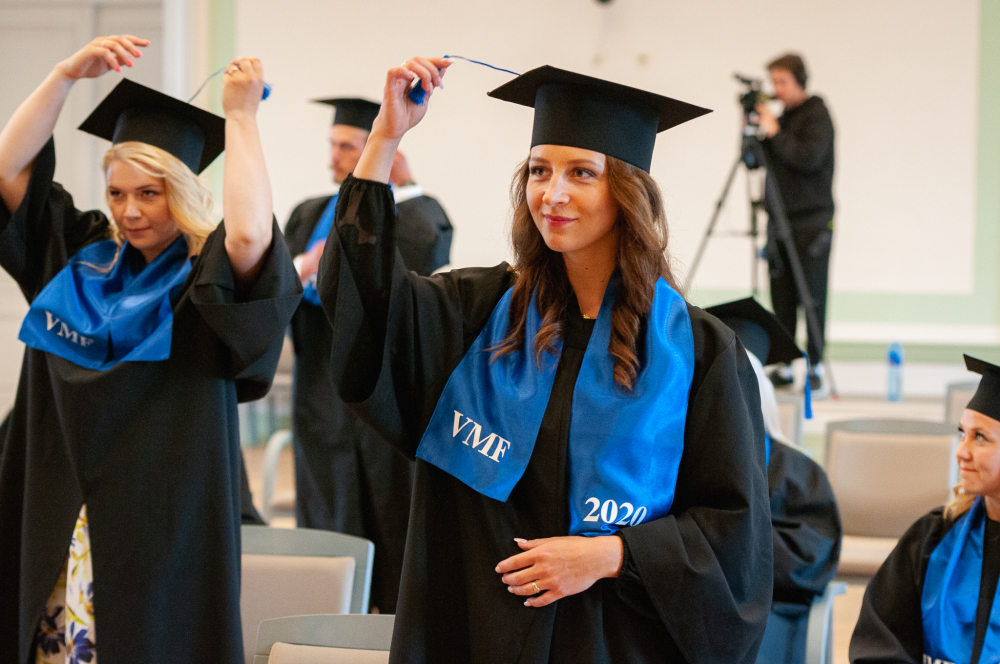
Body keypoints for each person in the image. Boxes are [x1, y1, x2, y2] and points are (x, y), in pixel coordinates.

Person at [316, 56, 773, 663]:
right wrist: (385, 138)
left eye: (581, 172)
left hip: (613, 639)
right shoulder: (477, 317)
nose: (552, 194)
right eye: (539, 171)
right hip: (475, 628)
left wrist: (611, 554)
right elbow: (364, 301)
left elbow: (733, 534)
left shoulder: (700, 352)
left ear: (627, 192)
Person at [0, 36, 300, 664]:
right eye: (117, 193)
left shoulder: (205, 280)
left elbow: (250, 233)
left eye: (149, 193)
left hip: (163, 531)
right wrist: (63, 75)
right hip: (59, 516)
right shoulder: (79, 258)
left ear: (182, 191)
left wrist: (241, 117)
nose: (129, 211)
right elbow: (7, 172)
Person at [284, 96, 451, 613]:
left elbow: (426, 262)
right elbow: (275, 282)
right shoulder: (308, 213)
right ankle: (325, 620)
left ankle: (393, 628)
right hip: (320, 392)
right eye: (332, 144)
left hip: (385, 392)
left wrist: (408, 185)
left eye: (347, 146)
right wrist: (306, 263)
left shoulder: (409, 212)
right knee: (327, 516)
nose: (335, 156)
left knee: (392, 515)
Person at [707, 297, 842, 661]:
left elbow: (808, 561)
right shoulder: (680, 464)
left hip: (770, 611)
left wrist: (723, 543)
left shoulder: (800, 474)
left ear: (761, 396)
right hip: (695, 605)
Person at [849, 355, 1000, 664]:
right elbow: (880, 645)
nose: (961, 451)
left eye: (980, 438)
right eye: (963, 434)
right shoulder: (932, 538)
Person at [755, 53, 835, 397]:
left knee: (811, 296)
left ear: (800, 80)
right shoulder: (780, 118)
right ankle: (785, 365)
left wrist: (775, 131)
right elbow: (755, 162)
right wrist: (755, 131)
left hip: (811, 223)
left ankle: (815, 368)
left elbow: (808, 158)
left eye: (782, 81)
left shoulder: (817, 115)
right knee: (782, 298)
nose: (777, 89)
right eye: (773, 82)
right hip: (779, 220)